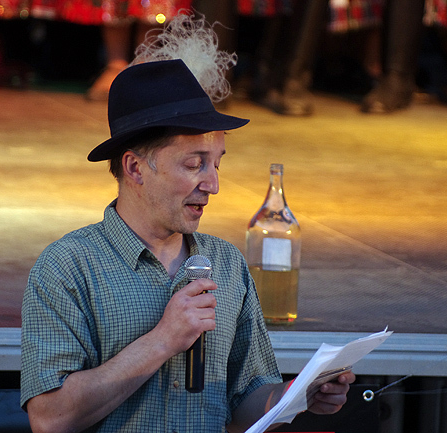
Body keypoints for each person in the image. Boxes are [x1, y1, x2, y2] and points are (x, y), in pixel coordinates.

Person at [20, 14, 355, 433]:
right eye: (195, 164)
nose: (213, 184)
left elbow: (246, 401)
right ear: (135, 168)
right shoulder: (69, 267)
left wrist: (296, 395)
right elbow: (49, 419)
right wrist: (164, 340)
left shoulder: (226, 263)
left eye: (216, 164)